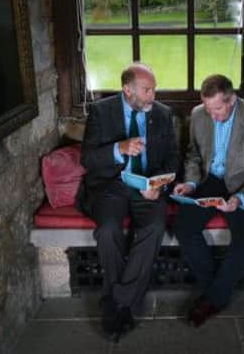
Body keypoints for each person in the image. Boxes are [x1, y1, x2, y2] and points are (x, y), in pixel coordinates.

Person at [76, 63, 179, 341]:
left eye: (154, 89)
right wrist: (119, 149)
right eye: (147, 90)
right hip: (111, 186)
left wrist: (158, 184)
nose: (152, 95)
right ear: (127, 89)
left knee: (155, 228)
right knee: (108, 230)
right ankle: (125, 303)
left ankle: (117, 302)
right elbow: (87, 159)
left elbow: (171, 158)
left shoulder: (162, 114)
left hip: (147, 188)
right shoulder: (101, 111)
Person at [173, 74, 244, 327]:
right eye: (208, 108)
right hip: (212, 180)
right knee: (183, 227)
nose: (212, 115)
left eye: (218, 109)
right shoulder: (199, 114)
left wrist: (240, 200)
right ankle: (217, 290)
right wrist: (190, 183)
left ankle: (211, 299)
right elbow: (194, 155)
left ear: (232, 100)